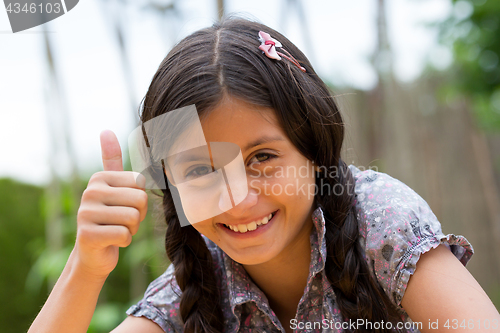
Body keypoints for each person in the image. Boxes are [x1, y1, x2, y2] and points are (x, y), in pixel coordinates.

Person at [28, 17, 500, 333]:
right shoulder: (197, 279)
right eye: (200, 170)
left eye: (262, 158)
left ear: (315, 148)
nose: (238, 201)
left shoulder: (381, 223)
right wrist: (86, 268)